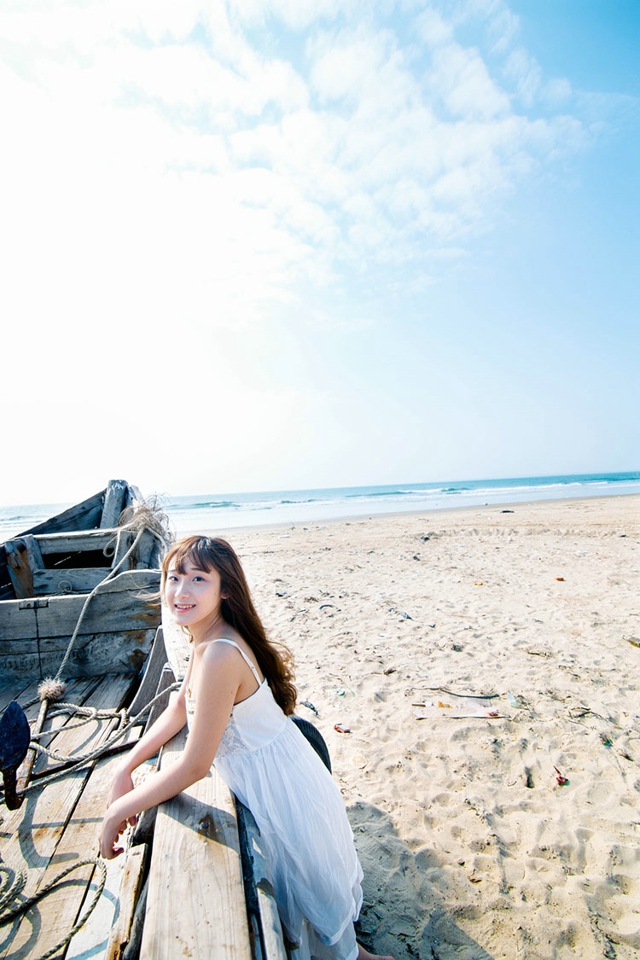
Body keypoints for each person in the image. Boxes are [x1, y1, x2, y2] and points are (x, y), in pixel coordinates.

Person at [99, 535, 393, 960]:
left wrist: (119, 811)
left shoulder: (221, 652)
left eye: (198, 579)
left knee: (315, 913)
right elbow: (180, 706)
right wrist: (125, 767)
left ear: (225, 589)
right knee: (315, 920)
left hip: (281, 789)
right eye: (174, 577)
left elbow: (195, 765)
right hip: (275, 775)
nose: (181, 591)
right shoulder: (206, 636)